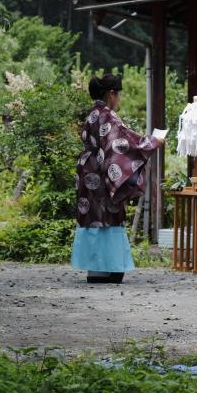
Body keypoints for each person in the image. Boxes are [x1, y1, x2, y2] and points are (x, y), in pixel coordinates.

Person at [71, 74, 163, 284]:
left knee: (92, 217)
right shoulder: (108, 116)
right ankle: (109, 267)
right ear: (111, 94)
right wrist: (152, 142)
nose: (119, 99)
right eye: (118, 95)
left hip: (87, 169)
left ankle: (95, 270)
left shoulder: (93, 113)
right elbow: (123, 144)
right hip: (100, 170)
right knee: (107, 215)